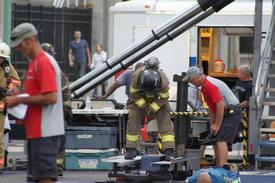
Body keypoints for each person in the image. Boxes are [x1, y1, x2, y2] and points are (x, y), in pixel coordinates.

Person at [6, 23, 65, 183]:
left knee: (44, 177)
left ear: (31, 39)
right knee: (36, 178)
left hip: (45, 132)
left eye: (20, 44)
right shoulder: (34, 64)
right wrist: (19, 95)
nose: (19, 48)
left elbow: (51, 97)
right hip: (37, 132)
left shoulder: (43, 63)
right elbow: (39, 95)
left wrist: (19, 99)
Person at [183, 66, 241, 166]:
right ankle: (219, 165)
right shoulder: (204, 86)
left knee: (221, 140)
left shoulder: (209, 85)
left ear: (196, 78)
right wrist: (212, 124)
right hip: (225, 110)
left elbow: (219, 104)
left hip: (231, 111)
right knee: (215, 139)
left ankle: (223, 167)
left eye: (190, 80)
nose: (190, 83)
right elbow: (212, 107)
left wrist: (217, 125)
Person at [124, 57, 175, 160]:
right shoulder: (136, 76)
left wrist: (153, 107)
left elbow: (164, 98)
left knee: (165, 123)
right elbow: (134, 95)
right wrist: (144, 106)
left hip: (158, 101)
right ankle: (131, 149)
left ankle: (168, 150)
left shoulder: (163, 80)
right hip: (139, 99)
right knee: (133, 120)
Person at [41, 42, 72, 177]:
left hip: (56, 112)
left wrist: (67, 109)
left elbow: (66, 92)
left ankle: (57, 166)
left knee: (58, 140)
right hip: (43, 112)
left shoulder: (59, 73)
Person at [0, 42, 21, 173]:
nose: (1, 60)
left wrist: (8, 90)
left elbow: (17, 82)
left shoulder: (8, 67)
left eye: (3, 58)